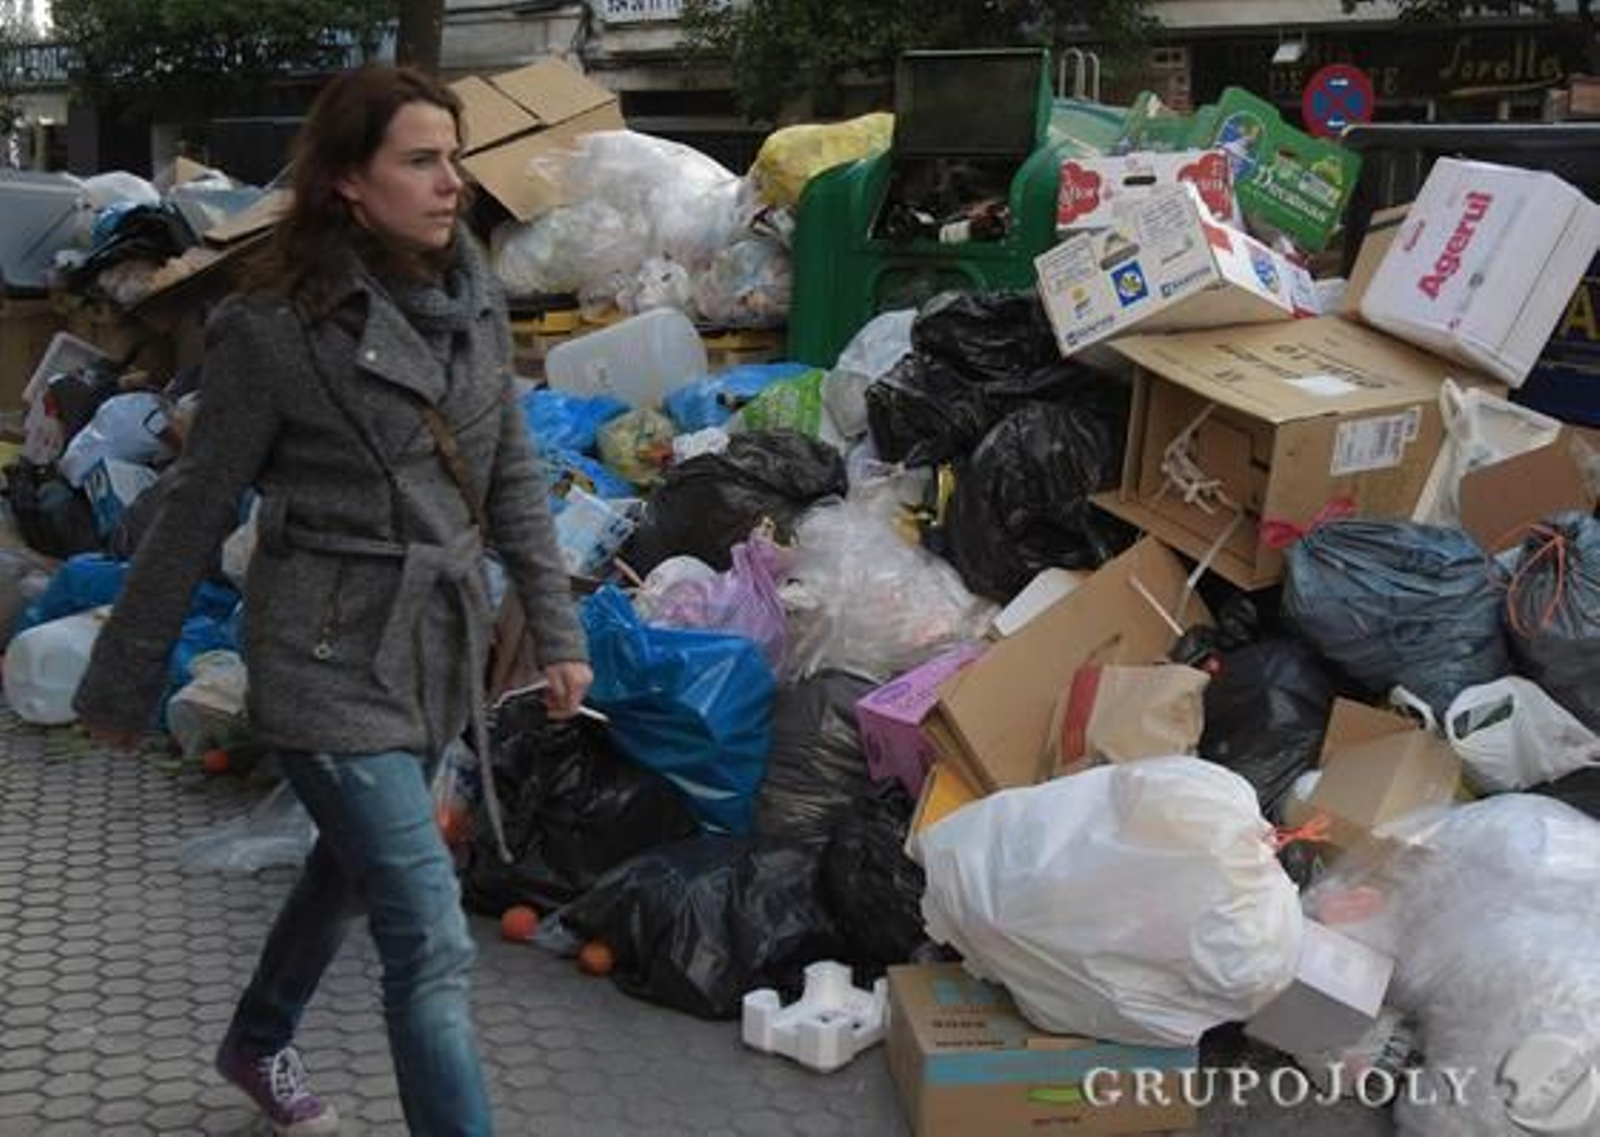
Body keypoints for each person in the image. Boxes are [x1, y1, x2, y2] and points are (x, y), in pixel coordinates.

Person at [74, 65, 592, 1136]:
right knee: (431, 934)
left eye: (454, 157)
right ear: (351, 182)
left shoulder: (475, 299)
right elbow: (195, 505)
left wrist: (557, 630)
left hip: (428, 657)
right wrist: (124, 680)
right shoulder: (272, 328)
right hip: (321, 659)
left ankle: (255, 1043)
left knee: (349, 873)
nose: (453, 182)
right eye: (421, 160)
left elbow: (510, 486)